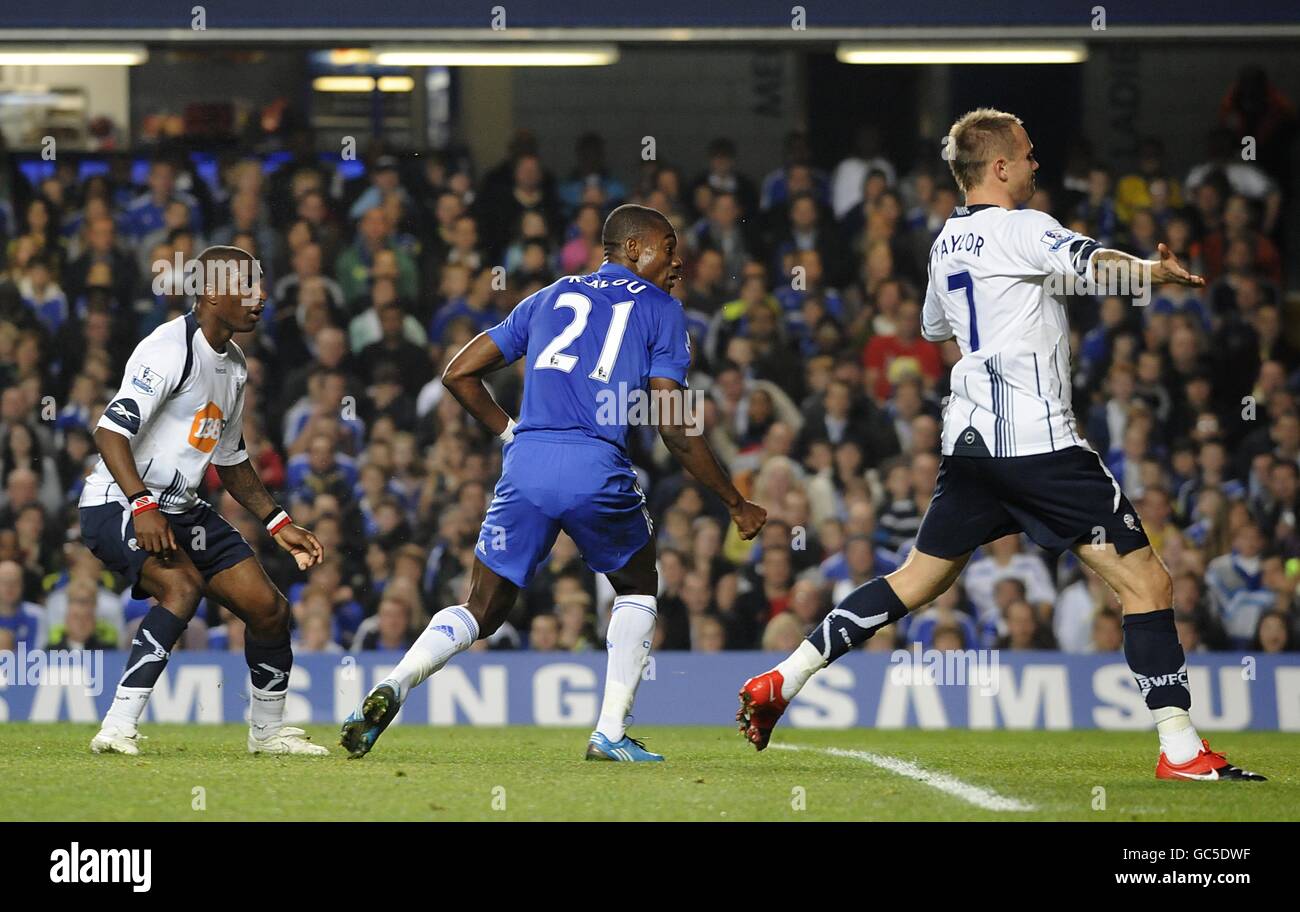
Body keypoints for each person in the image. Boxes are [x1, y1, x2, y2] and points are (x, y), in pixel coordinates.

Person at [736, 109, 1264, 782]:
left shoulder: (945, 243)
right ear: (1002, 167)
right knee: (1147, 581)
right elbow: (1088, 260)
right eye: (1029, 154)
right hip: (1038, 444)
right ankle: (1183, 750)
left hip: (971, 445)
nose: (1038, 164)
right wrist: (1150, 272)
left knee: (914, 581)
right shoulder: (1024, 226)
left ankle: (784, 677)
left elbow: (935, 326)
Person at [341, 204, 765, 761]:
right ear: (633, 249)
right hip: (596, 466)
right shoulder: (663, 310)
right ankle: (609, 731)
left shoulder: (548, 296)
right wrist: (735, 501)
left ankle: (394, 683)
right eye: (668, 246)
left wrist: (510, 433)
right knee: (637, 586)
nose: (678, 261)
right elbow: (675, 428)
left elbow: (457, 372)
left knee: (481, 608)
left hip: (528, 464)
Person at [81, 245, 328, 757]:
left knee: (269, 610)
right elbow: (109, 433)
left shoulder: (234, 364)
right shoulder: (169, 350)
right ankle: (117, 725)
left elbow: (230, 457)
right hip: (118, 502)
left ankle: (267, 733)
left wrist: (278, 521)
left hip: (181, 507)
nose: (260, 298)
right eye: (248, 287)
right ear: (213, 293)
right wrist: (142, 505)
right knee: (181, 586)